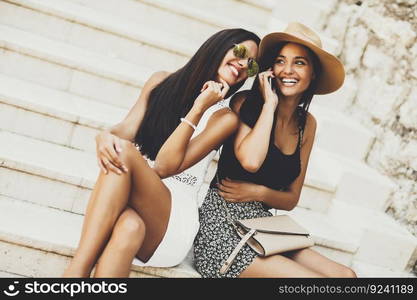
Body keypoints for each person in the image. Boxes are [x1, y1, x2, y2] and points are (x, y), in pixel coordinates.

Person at [63, 28, 260, 277]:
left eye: (252, 65)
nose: (243, 65)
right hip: (134, 200)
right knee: (128, 228)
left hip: (172, 219)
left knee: (124, 153)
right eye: (241, 52)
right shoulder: (160, 82)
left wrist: (198, 108)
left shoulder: (224, 118)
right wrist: (105, 135)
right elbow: (126, 130)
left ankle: (74, 275)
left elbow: (166, 167)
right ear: (219, 45)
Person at [193, 22, 357, 278]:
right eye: (281, 61)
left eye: (299, 63)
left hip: (265, 226)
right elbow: (250, 161)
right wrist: (269, 105)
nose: (287, 70)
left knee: (346, 276)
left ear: (313, 73)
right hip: (222, 225)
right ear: (270, 68)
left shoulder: (306, 124)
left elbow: (291, 198)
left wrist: (258, 191)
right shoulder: (245, 103)